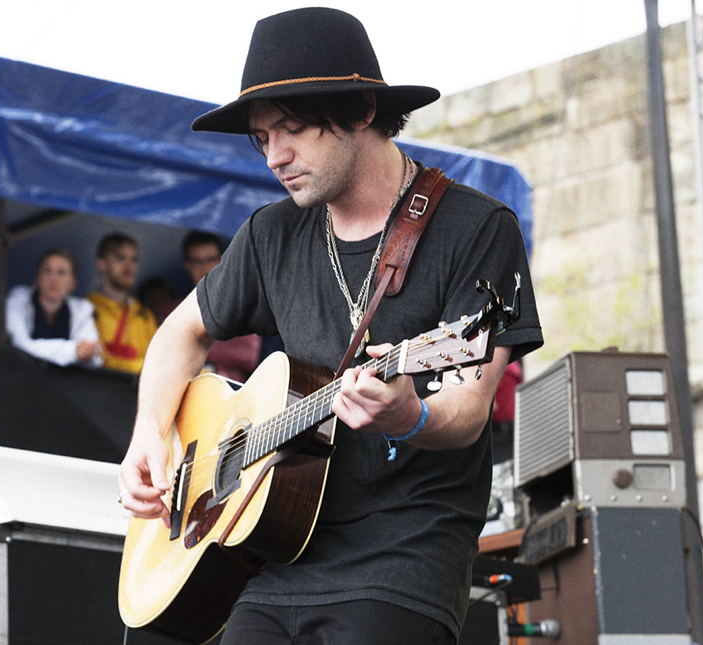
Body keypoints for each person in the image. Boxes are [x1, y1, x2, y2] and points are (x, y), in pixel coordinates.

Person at [118, 8, 543, 645]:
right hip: (275, 553)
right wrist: (148, 434)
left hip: (403, 558)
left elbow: (468, 408)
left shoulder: (477, 229)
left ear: (362, 110)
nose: (275, 157)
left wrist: (412, 416)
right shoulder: (272, 234)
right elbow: (180, 334)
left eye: (292, 129)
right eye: (262, 138)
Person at [182, 230, 262, 383]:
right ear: (187, 265)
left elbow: (249, 356)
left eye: (211, 259)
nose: (205, 267)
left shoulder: (242, 304)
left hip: (231, 395)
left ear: (221, 260)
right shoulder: (173, 310)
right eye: (197, 261)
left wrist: (194, 345)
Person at [5, 248, 103, 368]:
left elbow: (95, 357)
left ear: (73, 283)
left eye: (61, 273)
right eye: (47, 271)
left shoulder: (81, 310)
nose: (53, 279)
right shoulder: (17, 301)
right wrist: (72, 351)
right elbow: (19, 345)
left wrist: (86, 353)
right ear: (38, 277)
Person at [87, 233, 157, 374]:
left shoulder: (145, 315)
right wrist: (141, 368)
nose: (129, 266)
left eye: (134, 259)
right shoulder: (87, 310)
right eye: (120, 258)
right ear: (101, 264)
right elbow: (96, 361)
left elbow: (160, 359)